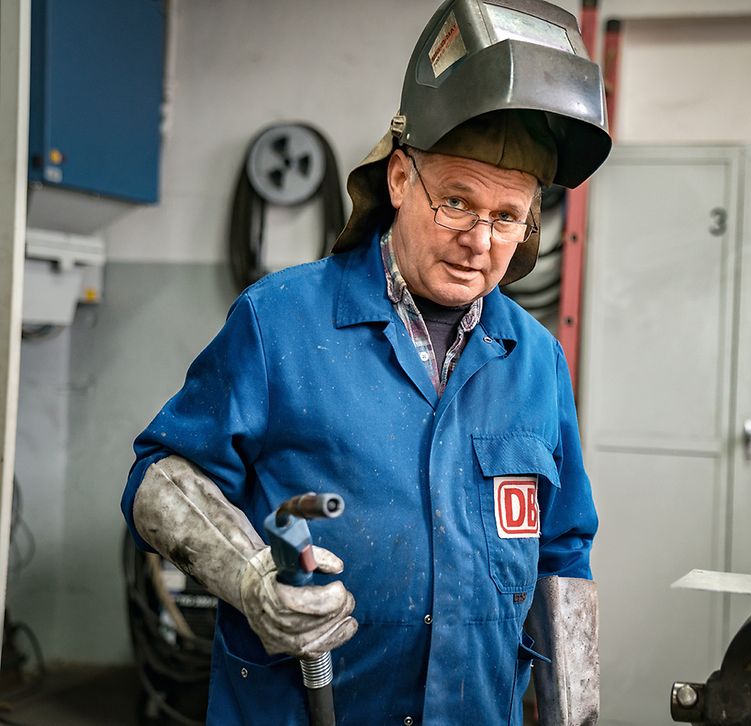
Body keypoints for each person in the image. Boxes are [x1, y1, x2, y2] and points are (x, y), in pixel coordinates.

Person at [121, 1, 611, 723]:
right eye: (456, 202)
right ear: (401, 181)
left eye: (506, 217)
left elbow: (563, 563)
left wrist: (578, 714)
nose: (480, 240)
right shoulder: (279, 321)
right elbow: (158, 481)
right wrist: (255, 580)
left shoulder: (536, 361)